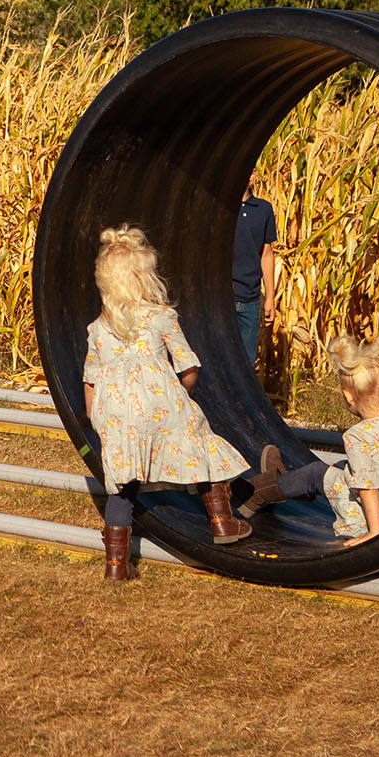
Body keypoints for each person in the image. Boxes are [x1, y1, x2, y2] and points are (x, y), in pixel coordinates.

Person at [83, 225, 252, 581]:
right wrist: (180, 395)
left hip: (113, 412)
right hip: (163, 401)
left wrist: (96, 416)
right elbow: (187, 365)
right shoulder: (161, 317)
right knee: (201, 447)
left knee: (122, 480)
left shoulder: (97, 328)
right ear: (145, 278)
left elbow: (90, 378)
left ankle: (116, 565)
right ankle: (222, 523)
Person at [241, 333, 379, 543]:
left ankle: (254, 491)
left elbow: (367, 486)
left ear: (348, 395)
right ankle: (283, 485)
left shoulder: (358, 436)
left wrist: (375, 533)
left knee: (316, 473)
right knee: (343, 466)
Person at [233, 169, 277, 366]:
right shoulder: (219, 208)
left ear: (253, 175)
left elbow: (266, 254)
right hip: (221, 299)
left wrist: (270, 298)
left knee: (246, 363)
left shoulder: (263, 209)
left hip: (249, 299)